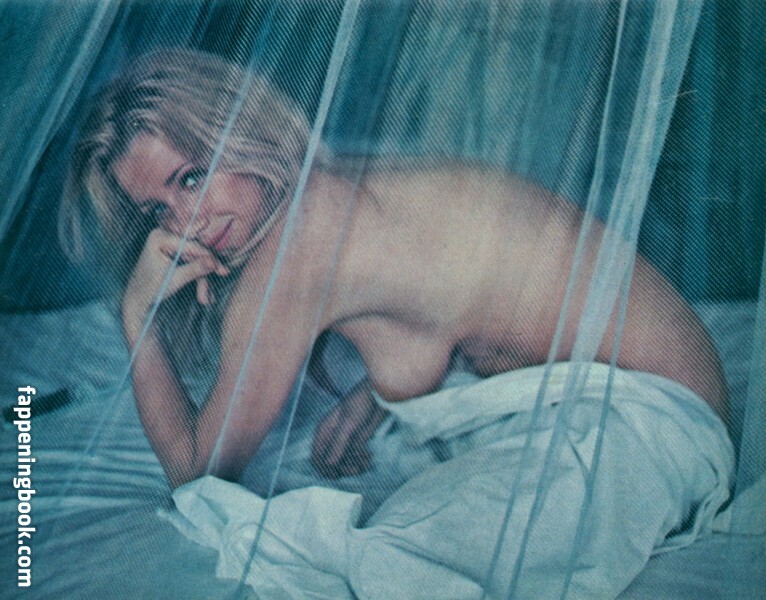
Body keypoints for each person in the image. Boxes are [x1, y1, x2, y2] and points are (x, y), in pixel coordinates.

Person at [61, 47, 728, 490]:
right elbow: (461, 295)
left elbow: (196, 471)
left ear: (239, 135)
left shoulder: (293, 254)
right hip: (670, 404)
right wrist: (372, 396)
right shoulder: (330, 190)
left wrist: (138, 315)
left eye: (192, 176)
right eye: (157, 210)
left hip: (657, 430)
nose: (186, 222)